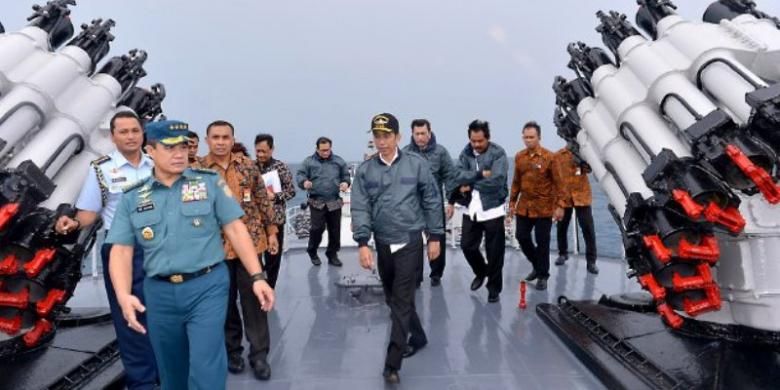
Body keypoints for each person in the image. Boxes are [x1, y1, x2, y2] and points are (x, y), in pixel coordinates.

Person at [106, 120, 275, 390]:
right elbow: (121, 250)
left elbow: (235, 228)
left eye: (183, 147)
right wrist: (124, 295)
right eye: (170, 147)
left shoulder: (209, 184)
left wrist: (257, 276)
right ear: (150, 150)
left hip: (207, 286)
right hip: (159, 293)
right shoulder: (133, 198)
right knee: (172, 371)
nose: (179, 153)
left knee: (206, 366)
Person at [54, 111, 158, 390]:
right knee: (131, 318)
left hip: (160, 247)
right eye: (123, 132)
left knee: (165, 314)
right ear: (112, 136)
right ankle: (143, 383)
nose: (130, 136)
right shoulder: (101, 169)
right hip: (122, 250)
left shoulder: (158, 164)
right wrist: (73, 222)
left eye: (135, 130)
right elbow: (89, 213)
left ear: (142, 133)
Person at [351, 113, 444, 384]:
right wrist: (362, 243)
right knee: (393, 299)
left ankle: (392, 363)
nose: (381, 142)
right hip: (382, 242)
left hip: (410, 241)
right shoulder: (366, 171)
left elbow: (431, 199)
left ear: (398, 137)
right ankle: (419, 335)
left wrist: (435, 236)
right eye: (377, 136)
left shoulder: (417, 165)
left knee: (402, 299)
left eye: (386, 136)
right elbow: (360, 207)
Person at [195, 120, 279, 380]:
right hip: (214, 248)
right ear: (207, 140)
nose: (220, 142)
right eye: (215, 137)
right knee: (225, 303)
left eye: (225, 137)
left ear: (233, 139)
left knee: (254, 302)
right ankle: (233, 351)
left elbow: (263, 200)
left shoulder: (248, 166)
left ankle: (259, 355)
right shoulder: (196, 171)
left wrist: (272, 231)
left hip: (251, 246)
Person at [451, 120, 509, 303]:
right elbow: (458, 175)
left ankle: (494, 289)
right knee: (467, 246)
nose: (476, 145)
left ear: (488, 138)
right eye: (473, 141)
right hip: (471, 210)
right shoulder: (465, 153)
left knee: (495, 253)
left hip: (492, 210)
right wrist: (479, 175)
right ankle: (481, 271)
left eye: (480, 141)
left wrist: (470, 184)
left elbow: (497, 181)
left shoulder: (498, 154)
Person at [508, 121, 565, 291]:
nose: (528, 140)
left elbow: (560, 184)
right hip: (524, 206)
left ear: (539, 137)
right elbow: (516, 182)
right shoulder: (519, 157)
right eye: (525, 137)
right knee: (521, 237)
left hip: (544, 207)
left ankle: (542, 275)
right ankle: (537, 265)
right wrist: (512, 202)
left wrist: (560, 206)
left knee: (543, 242)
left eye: (531, 137)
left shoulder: (550, 157)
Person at [402, 119, 458, 287]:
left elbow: (450, 177)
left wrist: (451, 202)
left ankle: (436, 274)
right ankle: (416, 276)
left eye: (423, 133)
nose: (420, 137)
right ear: (412, 134)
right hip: (411, 206)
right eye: (417, 134)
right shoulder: (404, 153)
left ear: (430, 132)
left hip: (433, 205)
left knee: (437, 239)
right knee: (413, 243)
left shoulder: (441, 153)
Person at [296, 136, 350, 266]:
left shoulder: (339, 161)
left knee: (335, 230)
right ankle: (312, 250)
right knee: (317, 228)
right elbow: (300, 175)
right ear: (317, 149)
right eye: (323, 150)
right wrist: (304, 182)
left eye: (327, 150)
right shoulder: (308, 162)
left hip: (334, 201)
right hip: (317, 201)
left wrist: (345, 183)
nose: (325, 152)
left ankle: (332, 254)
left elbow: (346, 175)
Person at [255, 133, 296, 287]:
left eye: (264, 151)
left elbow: (291, 191)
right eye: (258, 151)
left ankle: (270, 285)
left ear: (272, 150)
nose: (260, 155)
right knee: (256, 254)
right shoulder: (251, 167)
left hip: (275, 217)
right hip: (256, 218)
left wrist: (276, 196)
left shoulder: (281, 167)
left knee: (273, 255)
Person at [554, 147, 598, 274]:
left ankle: (591, 262)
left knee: (588, 229)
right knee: (561, 227)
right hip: (564, 197)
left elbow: (589, 169)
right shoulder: (558, 155)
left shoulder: (584, 153)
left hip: (582, 197)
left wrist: (582, 160)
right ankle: (562, 253)